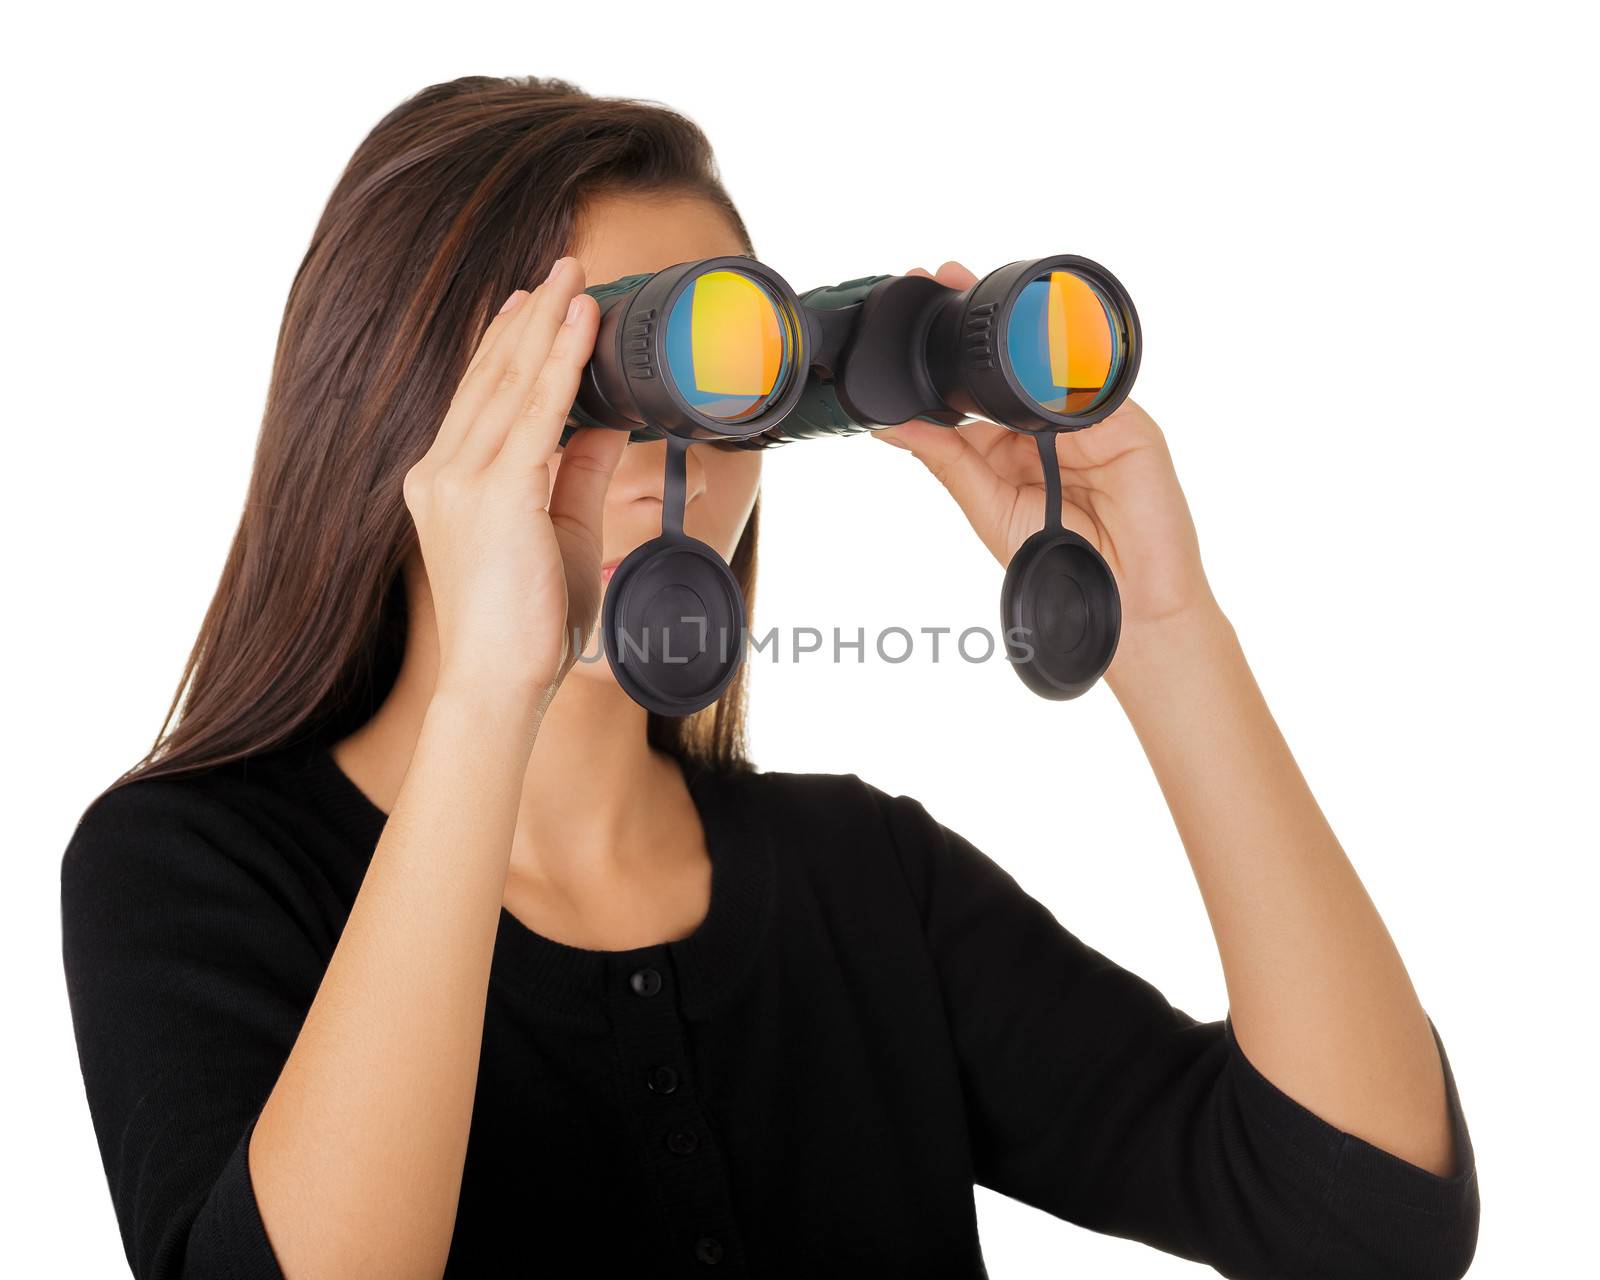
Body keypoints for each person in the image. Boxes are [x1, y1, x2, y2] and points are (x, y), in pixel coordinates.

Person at [60, 75, 1479, 1280]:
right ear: (414, 412)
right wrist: (489, 699)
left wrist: (1167, 632)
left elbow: (1371, 1215)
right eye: (607, 380)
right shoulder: (192, 865)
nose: (671, 460)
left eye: (728, 379)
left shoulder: (861, 878)